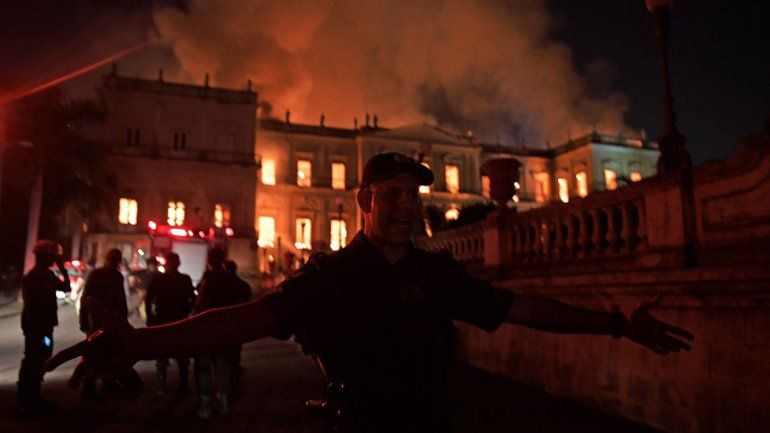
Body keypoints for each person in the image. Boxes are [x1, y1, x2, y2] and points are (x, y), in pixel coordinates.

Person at [47, 153, 694, 433]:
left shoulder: (437, 273)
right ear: (364, 201)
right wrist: (142, 342)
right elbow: (243, 320)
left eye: (414, 196)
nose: (406, 207)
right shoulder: (332, 278)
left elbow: (520, 308)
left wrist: (614, 324)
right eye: (392, 194)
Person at [78, 248, 141, 400]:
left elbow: (121, 301)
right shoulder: (97, 275)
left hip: (111, 321)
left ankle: (107, 384)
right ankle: (90, 386)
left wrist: (123, 321)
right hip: (98, 321)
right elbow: (86, 298)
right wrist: (84, 318)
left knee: (110, 352)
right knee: (95, 353)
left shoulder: (115, 276)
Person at [16, 240, 70, 415]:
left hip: (45, 326)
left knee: (41, 359)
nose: (54, 260)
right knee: (32, 360)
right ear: (43, 257)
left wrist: (62, 269)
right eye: (52, 257)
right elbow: (32, 306)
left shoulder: (48, 275)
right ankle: (25, 400)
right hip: (36, 327)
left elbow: (66, 287)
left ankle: (34, 397)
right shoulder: (33, 277)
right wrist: (38, 330)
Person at [191, 248, 241, 418]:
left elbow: (200, 305)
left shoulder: (209, 278)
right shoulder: (228, 279)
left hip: (207, 328)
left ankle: (205, 405)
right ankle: (224, 402)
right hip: (224, 328)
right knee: (222, 366)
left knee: (204, 367)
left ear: (210, 260)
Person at [145, 252, 196, 396]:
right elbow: (192, 299)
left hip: (166, 321)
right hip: (175, 321)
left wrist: (150, 317)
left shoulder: (160, 279)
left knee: (166, 355)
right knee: (178, 356)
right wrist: (187, 312)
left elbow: (149, 300)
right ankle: (180, 385)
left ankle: (164, 386)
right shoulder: (182, 279)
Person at [224, 260, 252, 381]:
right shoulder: (242, 285)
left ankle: (228, 367)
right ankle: (234, 366)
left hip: (223, 320)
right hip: (236, 320)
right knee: (235, 345)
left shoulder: (219, 284)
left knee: (225, 345)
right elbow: (248, 303)